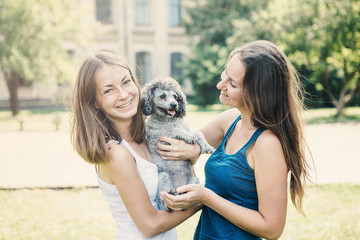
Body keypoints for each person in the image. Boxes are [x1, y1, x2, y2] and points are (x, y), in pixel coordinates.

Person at [159, 40, 311, 240]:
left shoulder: (267, 145)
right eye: (225, 74)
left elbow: (272, 229)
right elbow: (181, 145)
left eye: (232, 83)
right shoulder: (231, 120)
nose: (220, 85)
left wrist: (207, 197)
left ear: (257, 94)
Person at [70, 51, 201, 240]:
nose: (123, 95)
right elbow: (150, 225)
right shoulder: (116, 153)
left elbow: (220, 125)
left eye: (126, 82)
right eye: (109, 90)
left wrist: (194, 151)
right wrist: (205, 199)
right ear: (94, 103)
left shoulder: (150, 131)